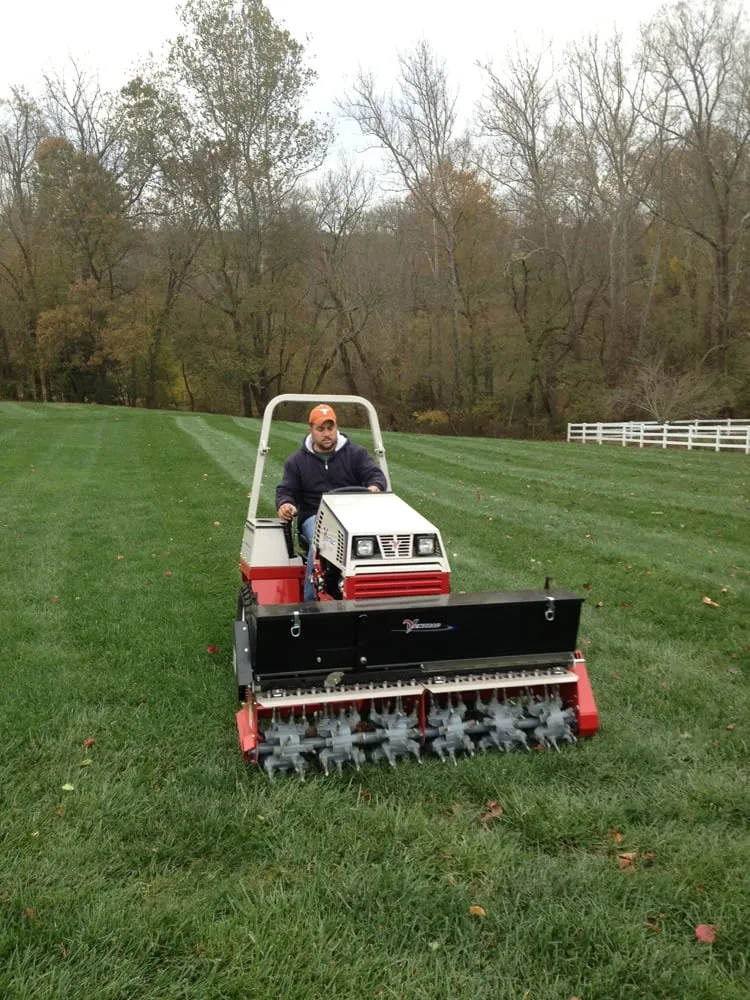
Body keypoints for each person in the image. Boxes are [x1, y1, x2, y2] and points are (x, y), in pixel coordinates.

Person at [276, 403, 387, 600]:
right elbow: (286, 490)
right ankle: (311, 604)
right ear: (311, 430)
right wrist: (285, 503)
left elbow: (375, 476)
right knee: (322, 542)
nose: (326, 434)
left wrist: (374, 487)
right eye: (320, 429)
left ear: (336, 428)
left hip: (353, 514)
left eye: (330, 428)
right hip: (315, 516)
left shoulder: (356, 454)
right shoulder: (296, 461)